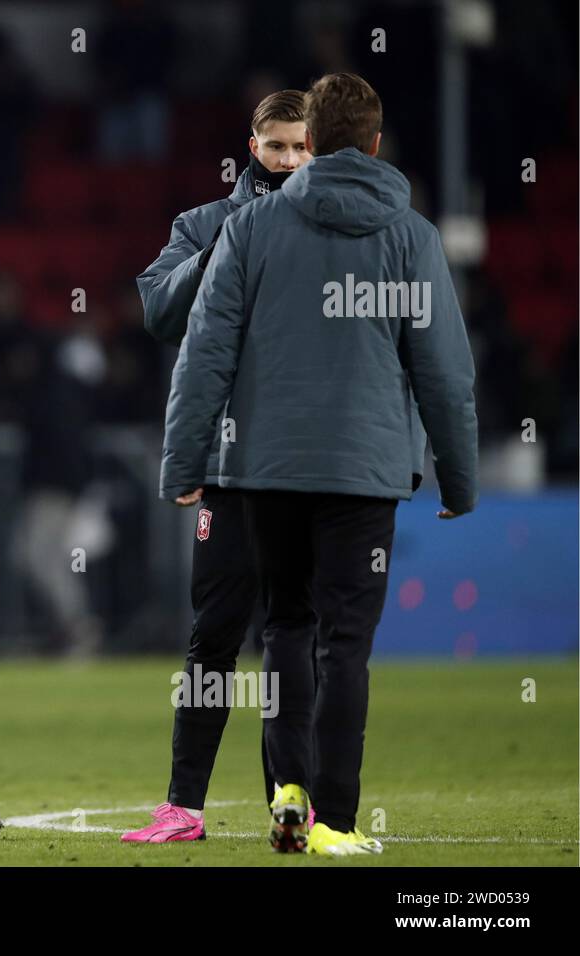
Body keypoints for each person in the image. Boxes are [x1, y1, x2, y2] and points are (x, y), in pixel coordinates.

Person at [159, 73, 478, 856]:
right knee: (346, 645)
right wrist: (459, 476)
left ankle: (289, 784)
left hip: (266, 469)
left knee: (288, 628)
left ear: (316, 143)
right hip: (365, 472)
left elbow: (204, 356)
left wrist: (184, 462)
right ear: (372, 144)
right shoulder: (411, 236)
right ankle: (334, 819)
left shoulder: (250, 230)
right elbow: (443, 370)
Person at [124, 90, 314, 844]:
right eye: (277, 147)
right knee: (215, 636)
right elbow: (160, 312)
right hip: (234, 466)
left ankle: (291, 802)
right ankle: (184, 806)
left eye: (303, 148)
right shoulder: (204, 225)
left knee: (295, 635)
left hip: (305, 461)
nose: (290, 161)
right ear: (253, 146)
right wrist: (227, 244)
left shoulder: (331, 233)